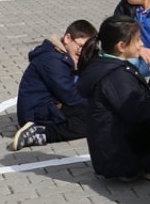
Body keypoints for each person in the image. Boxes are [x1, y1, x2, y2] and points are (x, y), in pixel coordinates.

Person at [76, 15, 150, 180]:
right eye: (137, 40)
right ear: (121, 46)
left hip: (112, 153)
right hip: (120, 159)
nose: (141, 44)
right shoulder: (116, 75)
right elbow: (135, 112)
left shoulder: (102, 64)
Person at [9, 19, 98, 151]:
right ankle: (40, 133)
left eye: (87, 48)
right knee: (93, 121)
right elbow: (70, 96)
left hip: (46, 107)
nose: (82, 51)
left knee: (94, 113)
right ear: (67, 38)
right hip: (35, 115)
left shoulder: (61, 56)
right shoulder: (53, 61)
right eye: (80, 46)